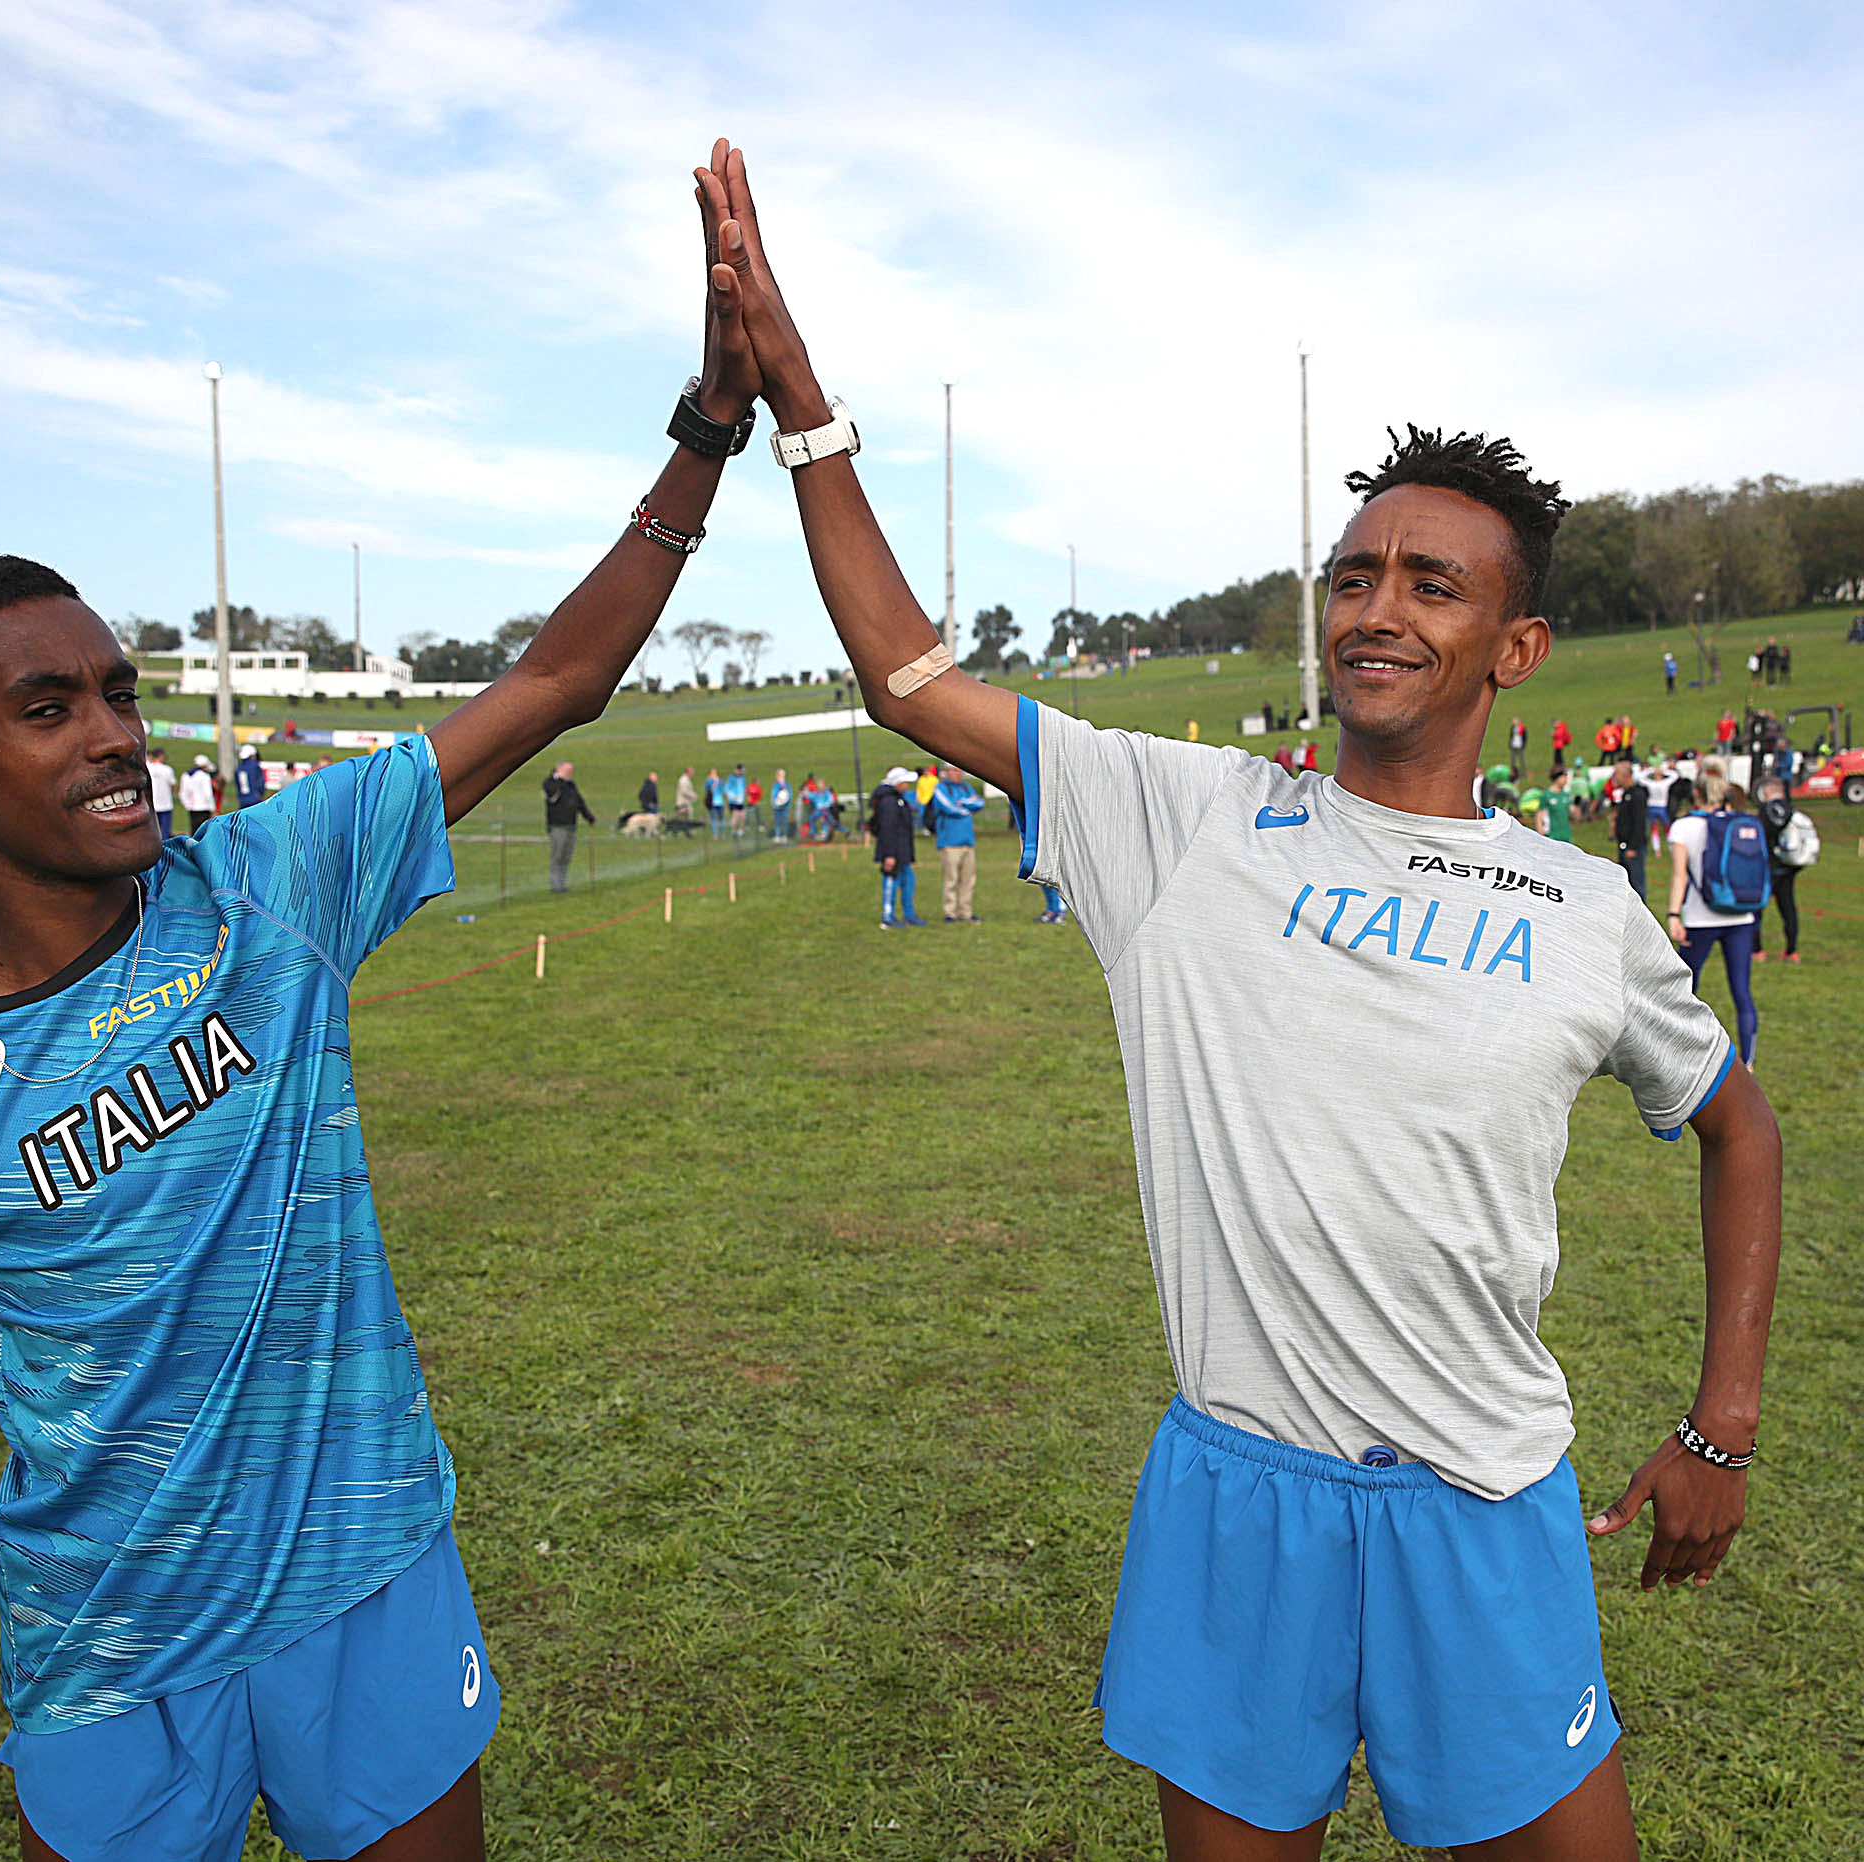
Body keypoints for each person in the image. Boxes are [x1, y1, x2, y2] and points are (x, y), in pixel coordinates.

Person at [701, 136, 1779, 1859]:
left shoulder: (1586, 908)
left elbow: (1735, 1123)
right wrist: (801, 405)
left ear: (1513, 650)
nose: (1375, 608)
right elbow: (908, 677)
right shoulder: (1191, 820)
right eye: (1353, 575)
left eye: (1430, 583)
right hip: (1238, 1489)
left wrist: (1719, 1419)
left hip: (1480, 1498)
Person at [0, 167, 761, 1861]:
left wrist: (706, 430)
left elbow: (555, 681)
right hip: (111, 1651)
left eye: (119, 692)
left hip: (367, 1571)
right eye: (48, 708)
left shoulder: (272, 882)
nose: (116, 734)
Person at [1666, 772, 1764, 1070]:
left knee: (1683, 990)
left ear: (1696, 794)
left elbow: (1680, 875)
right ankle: (1748, 1062)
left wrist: (1673, 914)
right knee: (1742, 991)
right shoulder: (1742, 822)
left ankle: (1680, 1052)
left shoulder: (1683, 827)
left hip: (1700, 918)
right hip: (1741, 915)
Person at [1753, 777, 1811, 964]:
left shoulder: (1766, 810)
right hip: (1788, 867)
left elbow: (1760, 835)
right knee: (1788, 909)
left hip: (1767, 867)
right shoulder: (1791, 810)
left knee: (1757, 909)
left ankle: (1757, 950)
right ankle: (1792, 951)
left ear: (1767, 791)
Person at [924, 763, 987, 922]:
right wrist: (967, 807)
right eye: (954, 770)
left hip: (968, 841)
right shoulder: (940, 788)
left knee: (968, 880)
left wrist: (962, 802)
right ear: (946, 772)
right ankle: (950, 912)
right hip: (949, 842)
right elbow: (948, 807)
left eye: (960, 770)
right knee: (951, 879)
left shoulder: (966, 788)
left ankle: (965, 912)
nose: (959, 773)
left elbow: (980, 803)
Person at [869, 765, 922, 928]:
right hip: (893, 851)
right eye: (905, 782)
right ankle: (888, 916)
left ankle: (909, 915)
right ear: (897, 782)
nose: (907, 785)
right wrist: (889, 855)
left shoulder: (897, 799)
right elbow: (887, 829)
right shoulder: (889, 802)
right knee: (891, 884)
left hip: (903, 851)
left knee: (909, 882)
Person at [543, 758, 594, 893]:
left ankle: (562, 884)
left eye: (571, 771)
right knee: (558, 856)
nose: (570, 773)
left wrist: (589, 817)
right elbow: (552, 796)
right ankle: (555, 886)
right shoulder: (550, 783)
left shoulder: (571, 785)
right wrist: (559, 779)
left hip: (571, 825)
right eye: (567, 770)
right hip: (557, 826)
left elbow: (579, 802)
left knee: (566, 856)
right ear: (559, 769)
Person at [1608, 756, 1650, 902]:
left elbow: (1639, 823)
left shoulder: (1637, 795)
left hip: (1633, 847)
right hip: (1623, 844)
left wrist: (1633, 847)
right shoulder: (1626, 794)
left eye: (1616, 774)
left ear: (1625, 775)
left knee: (1637, 884)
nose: (1614, 778)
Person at [179, 754, 217, 833]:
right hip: (204, 808)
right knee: (204, 832)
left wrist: (187, 804)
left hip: (192, 808)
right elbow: (208, 794)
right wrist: (213, 809)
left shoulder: (186, 775)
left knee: (194, 831)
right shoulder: (204, 776)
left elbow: (182, 793)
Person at [145, 744, 177, 838]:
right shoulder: (167, 769)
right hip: (166, 804)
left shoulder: (148, 768)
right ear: (161, 756)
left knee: (152, 830)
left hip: (151, 803)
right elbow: (173, 785)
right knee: (165, 831)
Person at [232, 741, 267, 810]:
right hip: (255, 800)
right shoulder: (255, 766)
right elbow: (261, 783)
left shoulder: (239, 769)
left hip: (242, 801)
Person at [770, 768, 793, 841]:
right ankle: (778, 836)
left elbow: (790, 794)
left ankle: (784, 836)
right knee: (777, 821)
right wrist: (773, 803)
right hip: (777, 806)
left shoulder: (787, 784)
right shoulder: (775, 784)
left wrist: (788, 803)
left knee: (784, 821)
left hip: (785, 806)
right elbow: (773, 794)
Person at [705, 764, 725, 837]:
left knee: (713, 819)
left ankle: (715, 834)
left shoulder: (708, 781)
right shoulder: (720, 781)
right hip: (720, 802)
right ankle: (722, 833)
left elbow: (706, 790)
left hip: (712, 802)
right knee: (721, 818)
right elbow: (723, 791)